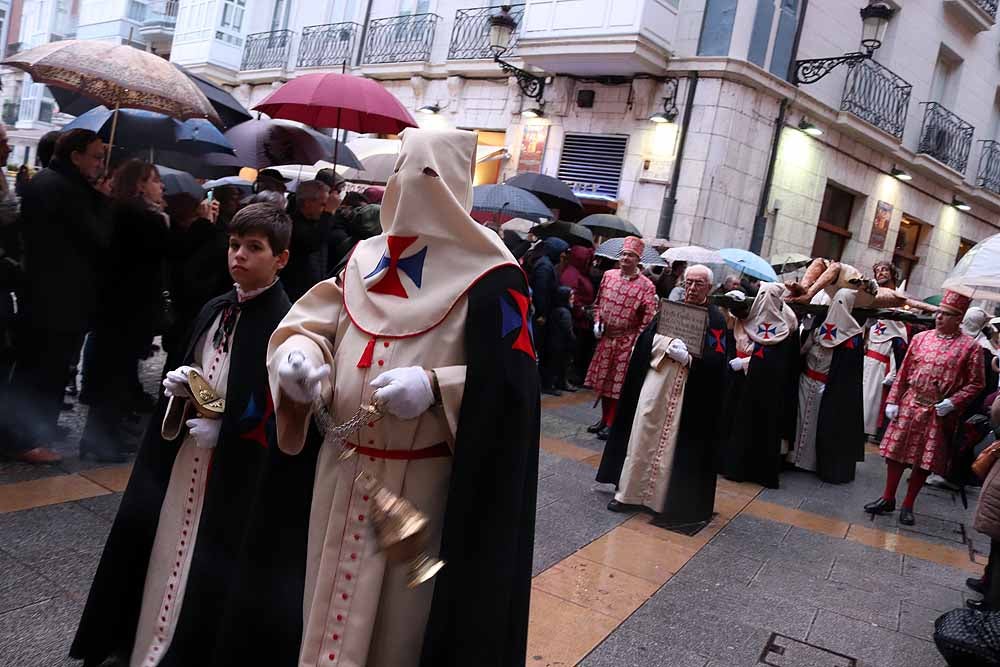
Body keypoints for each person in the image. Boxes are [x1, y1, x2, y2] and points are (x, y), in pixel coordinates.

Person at [265, 128, 539, 667]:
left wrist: (438, 388)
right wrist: (297, 360)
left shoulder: (495, 277)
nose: (413, 187)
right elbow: (313, 325)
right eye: (405, 172)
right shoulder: (363, 257)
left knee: (398, 629)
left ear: (457, 184)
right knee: (324, 611)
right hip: (340, 473)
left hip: (423, 486)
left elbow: (514, 386)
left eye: (430, 175)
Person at [71, 204, 312, 666]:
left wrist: (230, 428)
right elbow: (207, 375)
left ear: (281, 258)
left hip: (233, 475)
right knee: (163, 549)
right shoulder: (215, 309)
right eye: (234, 245)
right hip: (184, 458)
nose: (239, 256)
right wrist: (183, 388)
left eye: (254, 248)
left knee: (207, 561)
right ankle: (144, 644)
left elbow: (279, 405)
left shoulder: (290, 325)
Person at [0, 129, 108, 464]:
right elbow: (97, 238)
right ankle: (26, 440)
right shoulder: (62, 188)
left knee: (44, 367)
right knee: (43, 370)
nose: (99, 164)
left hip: (52, 295)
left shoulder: (55, 183)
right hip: (56, 297)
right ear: (75, 156)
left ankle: (27, 434)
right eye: (95, 156)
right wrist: (102, 199)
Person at [597, 264, 730, 530]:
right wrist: (666, 345)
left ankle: (658, 500)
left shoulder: (715, 319)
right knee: (643, 431)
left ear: (710, 288)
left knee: (671, 445)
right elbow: (646, 341)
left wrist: (691, 358)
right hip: (657, 382)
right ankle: (628, 494)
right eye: (689, 282)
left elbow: (718, 359)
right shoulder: (669, 309)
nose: (692, 288)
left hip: (687, 392)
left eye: (698, 284)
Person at [865, 290, 986, 525]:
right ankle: (888, 497)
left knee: (924, 460)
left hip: (937, 410)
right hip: (911, 401)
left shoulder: (970, 348)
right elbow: (905, 370)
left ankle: (908, 504)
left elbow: (977, 382)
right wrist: (893, 400)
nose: (940, 317)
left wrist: (953, 402)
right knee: (895, 454)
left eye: (947, 314)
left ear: (958, 318)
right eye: (939, 312)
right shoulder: (922, 338)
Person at [78, 160, 170, 462]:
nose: (161, 187)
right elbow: (159, 258)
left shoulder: (114, 211)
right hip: (130, 309)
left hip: (113, 307)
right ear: (140, 184)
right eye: (155, 180)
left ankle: (101, 434)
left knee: (113, 372)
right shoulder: (143, 218)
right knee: (116, 374)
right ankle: (102, 440)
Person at [719, 282, 800, 489]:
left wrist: (747, 363)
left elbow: (776, 357)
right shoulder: (753, 315)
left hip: (768, 385)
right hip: (743, 380)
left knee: (762, 424)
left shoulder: (786, 323)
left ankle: (757, 469)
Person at [789, 288, 866, 483]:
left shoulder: (853, 334)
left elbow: (849, 371)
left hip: (827, 387)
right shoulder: (819, 324)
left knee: (818, 424)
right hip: (806, 379)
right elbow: (803, 349)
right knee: (799, 420)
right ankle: (793, 458)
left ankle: (813, 462)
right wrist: (806, 330)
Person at [585, 236, 658, 439]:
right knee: (603, 381)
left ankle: (612, 422)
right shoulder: (608, 275)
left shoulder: (647, 286)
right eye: (624, 254)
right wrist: (597, 322)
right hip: (606, 337)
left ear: (638, 260)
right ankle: (603, 419)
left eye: (631, 255)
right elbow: (598, 303)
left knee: (617, 385)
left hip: (627, 341)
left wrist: (637, 342)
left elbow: (648, 317)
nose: (626, 258)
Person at [531, 236, 570, 395]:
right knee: (544, 348)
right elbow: (541, 292)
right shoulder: (545, 267)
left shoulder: (547, 265)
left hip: (545, 314)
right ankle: (542, 383)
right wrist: (542, 314)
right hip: (542, 316)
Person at [282, 179, 331, 302]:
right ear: (308, 203)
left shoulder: (313, 223)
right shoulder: (291, 224)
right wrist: (328, 214)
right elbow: (313, 243)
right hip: (294, 291)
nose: (324, 209)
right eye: (322, 205)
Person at [862, 314, 909, 442]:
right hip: (867, 364)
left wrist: (892, 374)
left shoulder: (896, 339)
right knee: (862, 397)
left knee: (872, 400)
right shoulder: (872, 329)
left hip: (880, 370)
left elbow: (896, 358)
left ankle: (867, 429)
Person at [560, 245, 596, 386]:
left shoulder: (579, 272)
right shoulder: (572, 274)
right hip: (576, 319)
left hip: (581, 318)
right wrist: (581, 310)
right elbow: (571, 295)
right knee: (572, 351)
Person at [545, 286, 576, 393]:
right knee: (558, 365)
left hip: (553, 343)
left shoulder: (555, 310)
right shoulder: (564, 312)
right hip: (560, 344)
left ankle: (555, 384)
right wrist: (573, 340)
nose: (573, 299)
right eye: (571, 296)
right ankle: (552, 385)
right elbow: (567, 330)